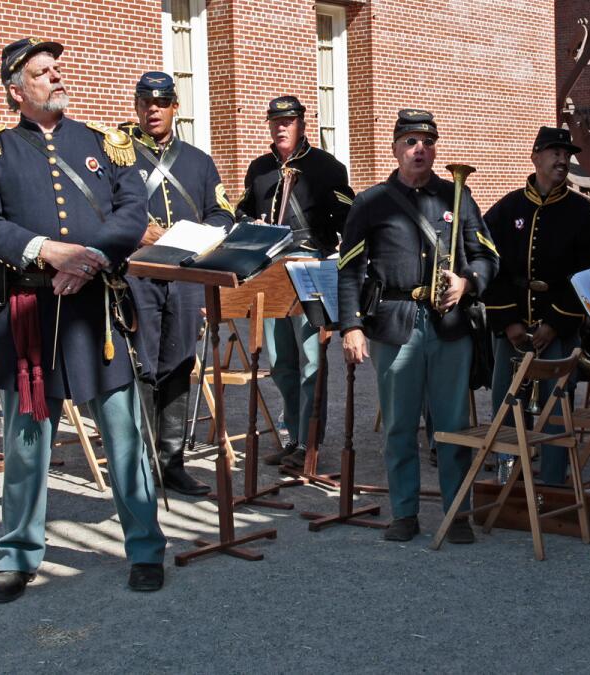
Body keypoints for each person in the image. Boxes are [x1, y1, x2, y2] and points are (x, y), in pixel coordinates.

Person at [0, 38, 166, 603]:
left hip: (96, 310)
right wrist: (46, 251)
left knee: (124, 438)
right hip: (30, 314)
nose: (56, 77)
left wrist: (90, 258)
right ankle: (18, 554)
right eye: (42, 72)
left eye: (58, 69)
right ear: (16, 89)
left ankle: (146, 547)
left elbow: (133, 213)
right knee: (27, 443)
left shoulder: (105, 144)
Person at [338, 109, 499, 543]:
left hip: (448, 324)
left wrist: (468, 282)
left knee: (452, 426)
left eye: (427, 142)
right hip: (395, 324)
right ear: (394, 148)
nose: (420, 149)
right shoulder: (370, 202)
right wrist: (351, 326)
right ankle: (404, 512)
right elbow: (349, 270)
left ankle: (458, 512)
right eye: (410, 141)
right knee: (399, 426)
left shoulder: (458, 196)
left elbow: (487, 256)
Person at [121, 71, 235, 496]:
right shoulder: (121, 156)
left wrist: (200, 236)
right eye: (145, 103)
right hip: (140, 275)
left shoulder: (198, 162)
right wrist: (137, 232)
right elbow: (104, 212)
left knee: (179, 364)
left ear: (174, 107)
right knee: (144, 366)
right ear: (136, 107)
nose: (153, 110)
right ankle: (143, 464)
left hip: (186, 275)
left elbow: (222, 214)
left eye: (162, 102)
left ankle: (171, 463)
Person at [236, 96, 354, 469]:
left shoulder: (327, 168)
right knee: (281, 361)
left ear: (302, 123)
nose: (281, 127)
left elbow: (348, 221)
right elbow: (243, 211)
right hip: (271, 272)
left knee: (311, 361)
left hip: (311, 268)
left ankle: (309, 442)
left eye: (288, 120)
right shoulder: (259, 168)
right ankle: (292, 435)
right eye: (275, 121)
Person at [483, 126, 590, 485]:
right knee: (507, 404)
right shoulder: (508, 208)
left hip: (558, 330)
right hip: (513, 329)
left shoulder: (582, 213)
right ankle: (507, 478)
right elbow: (489, 265)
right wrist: (509, 322)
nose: (563, 160)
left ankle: (552, 483)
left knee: (556, 407)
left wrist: (555, 322)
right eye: (555, 152)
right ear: (535, 156)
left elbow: (588, 273)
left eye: (567, 155)